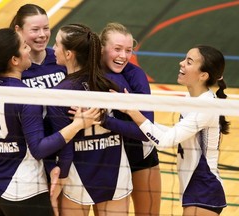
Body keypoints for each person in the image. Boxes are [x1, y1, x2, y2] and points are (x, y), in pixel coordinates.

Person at [0, 28, 100, 216]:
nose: (29, 50)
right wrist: (77, 125)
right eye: (25, 46)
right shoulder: (25, 96)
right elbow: (39, 149)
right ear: (14, 60)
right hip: (24, 193)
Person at [0, 3, 66, 189]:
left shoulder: (60, 61)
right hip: (31, 163)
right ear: (18, 30)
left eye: (46, 28)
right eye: (35, 29)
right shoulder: (6, 72)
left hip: (64, 155)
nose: (42, 34)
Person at [122, 45, 229, 216]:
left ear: (203, 75)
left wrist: (134, 113)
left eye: (189, 62)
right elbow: (172, 134)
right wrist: (136, 120)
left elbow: (165, 141)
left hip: (204, 189)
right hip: (194, 187)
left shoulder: (206, 107)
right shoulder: (191, 99)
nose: (181, 63)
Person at [48, 23, 133, 216]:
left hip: (77, 174)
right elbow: (135, 128)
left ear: (69, 54)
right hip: (115, 169)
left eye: (57, 44)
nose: (53, 48)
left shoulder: (59, 93)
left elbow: (65, 146)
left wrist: (59, 178)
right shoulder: (111, 82)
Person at [99, 22, 161, 216]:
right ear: (101, 48)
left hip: (140, 156)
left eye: (128, 50)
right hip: (107, 159)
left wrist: (104, 121)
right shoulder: (89, 74)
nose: (123, 56)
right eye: (117, 49)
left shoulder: (136, 75)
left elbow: (146, 132)